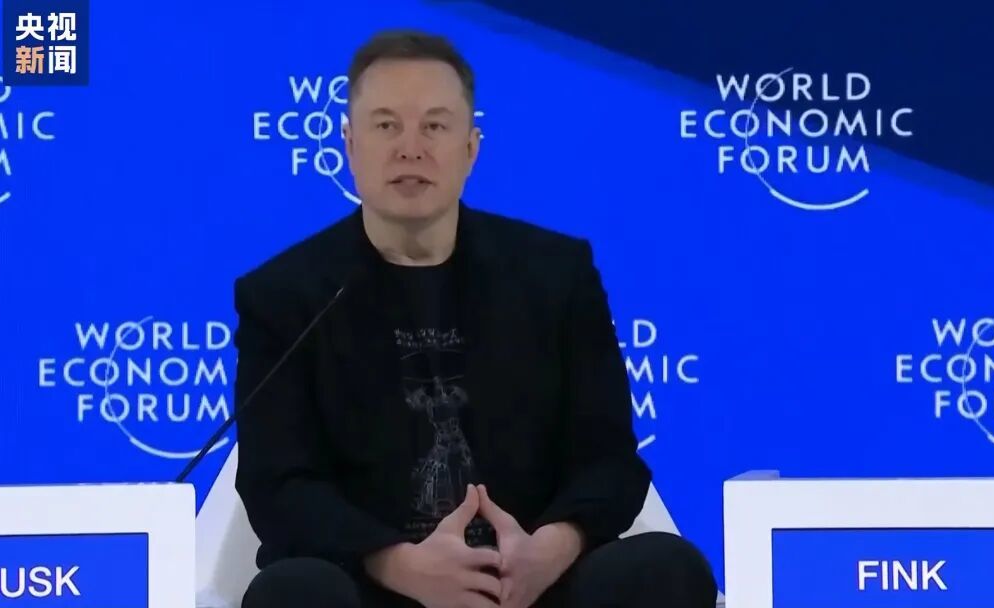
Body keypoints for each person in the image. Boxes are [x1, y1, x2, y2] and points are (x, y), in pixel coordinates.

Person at [233, 29, 717, 608]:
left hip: (534, 582)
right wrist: (400, 564)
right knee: (292, 593)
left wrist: (548, 552)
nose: (410, 148)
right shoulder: (286, 295)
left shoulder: (555, 275)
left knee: (668, 570)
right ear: (349, 145)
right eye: (386, 125)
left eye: (435, 126)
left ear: (471, 149)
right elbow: (278, 484)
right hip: (375, 582)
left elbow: (608, 459)